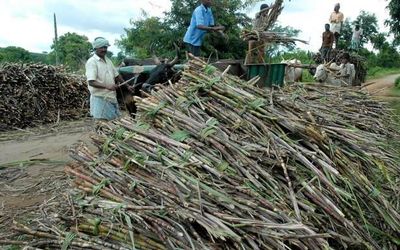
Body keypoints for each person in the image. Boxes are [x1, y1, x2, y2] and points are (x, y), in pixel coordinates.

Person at [85, 37, 125, 120]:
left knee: (113, 122)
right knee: (103, 123)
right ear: (95, 48)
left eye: (105, 47)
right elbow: (91, 82)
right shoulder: (92, 62)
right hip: (100, 98)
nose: (104, 49)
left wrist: (128, 86)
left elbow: (116, 75)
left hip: (111, 97)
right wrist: (107, 86)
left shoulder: (108, 60)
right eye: (101, 47)